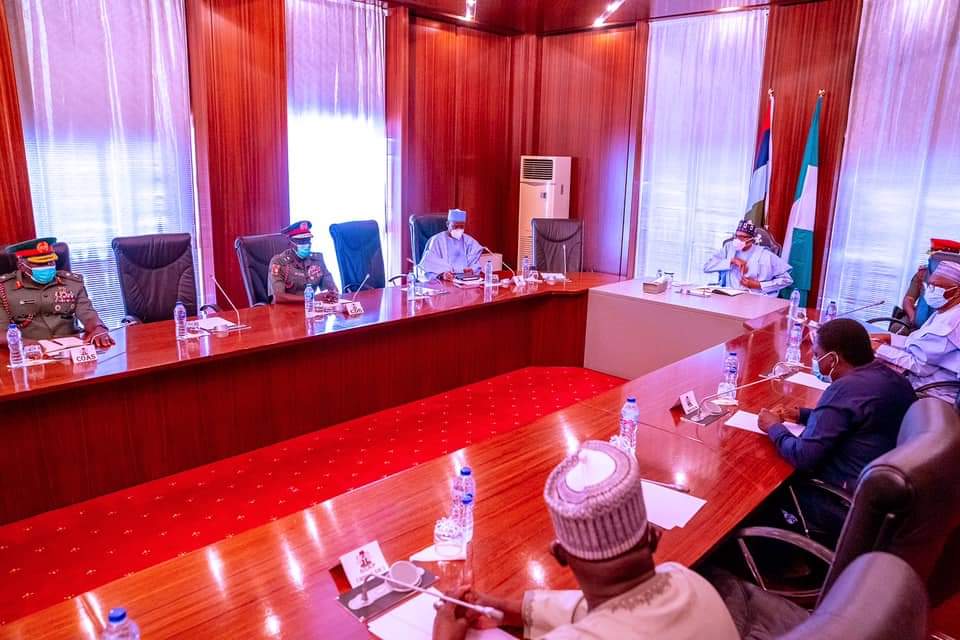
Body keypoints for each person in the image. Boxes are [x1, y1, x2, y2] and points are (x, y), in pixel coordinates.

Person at [432, 440, 739, 640]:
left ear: (560, 554)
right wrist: (507, 609)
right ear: (653, 537)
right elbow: (615, 609)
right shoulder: (689, 580)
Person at [757, 318, 916, 543]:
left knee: (764, 488)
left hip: (840, 499)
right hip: (881, 496)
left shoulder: (845, 389)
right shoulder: (892, 377)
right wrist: (803, 415)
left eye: (816, 355)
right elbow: (855, 420)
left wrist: (773, 427)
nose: (814, 360)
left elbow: (803, 456)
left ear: (832, 359)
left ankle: (776, 552)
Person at [0, 237, 113, 348]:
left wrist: (98, 328)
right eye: (39, 264)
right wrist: (27, 344)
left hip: (72, 347)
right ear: (21, 265)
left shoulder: (72, 283)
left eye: (51, 262)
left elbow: (88, 315)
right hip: (29, 350)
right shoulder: (4, 289)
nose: (47, 267)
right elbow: (1, 332)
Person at [874, 260, 960, 404]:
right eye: (930, 285)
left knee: (864, 383)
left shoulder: (952, 323)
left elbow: (920, 366)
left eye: (937, 286)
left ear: (957, 290)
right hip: (918, 381)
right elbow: (921, 344)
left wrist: (878, 348)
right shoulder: (945, 311)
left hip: (929, 395)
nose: (931, 290)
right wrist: (889, 338)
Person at [703, 220, 793, 296]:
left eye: (742, 237)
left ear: (752, 239)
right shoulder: (729, 248)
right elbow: (707, 267)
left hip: (753, 297)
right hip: (728, 294)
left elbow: (786, 280)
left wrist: (759, 285)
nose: (738, 240)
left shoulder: (766, 255)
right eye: (736, 236)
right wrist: (731, 261)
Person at [268, 220, 338, 304]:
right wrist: (311, 299)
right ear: (290, 243)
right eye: (301, 241)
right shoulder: (279, 262)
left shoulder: (317, 260)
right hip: (285, 309)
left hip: (310, 309)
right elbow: (278, 297)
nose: (306, 244)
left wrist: (332, 293)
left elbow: (331, 288)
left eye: (308, 240)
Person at [418, 209, 483, 282]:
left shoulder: (469, 242)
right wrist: (442, 274)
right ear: (447, 224)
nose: (458, 229)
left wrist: (472, 270)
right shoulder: (437, 240)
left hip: (465, 281)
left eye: (461, 227)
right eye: (455, 226)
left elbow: (475, 265)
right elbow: (428, 266)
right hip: (443, 282)